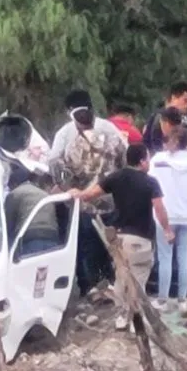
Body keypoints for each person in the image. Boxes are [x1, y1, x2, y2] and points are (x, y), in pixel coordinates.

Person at [70, 143, 173, 331]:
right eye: (148, 158)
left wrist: (77, 193)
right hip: (141, 238)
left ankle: (121, 317)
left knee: (121, 277)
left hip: (119, 238)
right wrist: (167, 230)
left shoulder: (115, 177)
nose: (149, 162)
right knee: (138, 280)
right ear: (142, 161)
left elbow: (90, 195)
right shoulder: (150, 182)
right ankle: (136, 320)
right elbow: (159, 208)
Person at [52, 98, 126, 297]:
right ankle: (113, 282)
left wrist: (66, 188)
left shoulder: (72, 143)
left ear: (75, 122)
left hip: (83, 204)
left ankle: (90, 288)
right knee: (111, 245)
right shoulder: (111, 134)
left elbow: (56, 164)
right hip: (110, 201)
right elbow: (123, 159)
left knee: (86, 246)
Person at [150, 125, 187, 312]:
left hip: (165, 215)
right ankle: (182, 300)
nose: (164, 142)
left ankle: (162, 300)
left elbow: (151, 184)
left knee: (165, 258)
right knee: (184, 257)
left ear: (175, 141)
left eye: (167, 139)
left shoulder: (159, 161)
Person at [143, 82, 187, 189]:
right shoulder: (156, 119)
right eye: (185, 100)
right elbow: (147, 144)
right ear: (173, 98)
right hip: (161, 173)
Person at [49, 89, 125, 164]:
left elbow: (53, 160)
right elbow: (125, 151)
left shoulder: (64, 132)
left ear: (69, 112)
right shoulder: (107, 126)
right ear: (91, 108)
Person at [4, 166, 59, 255]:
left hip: (30, 237)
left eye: (10, 187)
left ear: (14, 184)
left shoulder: (14, 194)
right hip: (53, 236)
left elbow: (7, 223)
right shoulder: (45, 194)